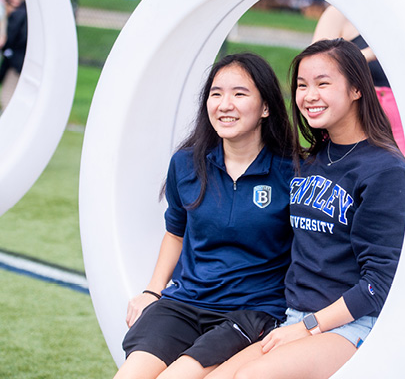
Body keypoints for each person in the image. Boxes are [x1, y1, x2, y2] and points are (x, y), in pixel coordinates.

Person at [205, 39, 405, 379]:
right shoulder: (311, 161)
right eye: (301, 85)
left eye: (322, 83)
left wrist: (309, 327)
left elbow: (380, 283)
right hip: (295, 318)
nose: (309, 96)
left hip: (351, 326)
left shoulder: (385, 170)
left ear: (357, 88)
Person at [113, 53, 299, 379]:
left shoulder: (293, 171)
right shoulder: (186, 164)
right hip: (185, 303)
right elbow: (175, 232)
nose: (225, 104)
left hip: (251, 312)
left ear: (265, 107)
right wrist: (153, 290)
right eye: (216, 93)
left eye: (239, 94)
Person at [312, 5, 405, 156]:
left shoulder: (403, 15)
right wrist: (371, 53)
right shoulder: (339, 13)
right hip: (355, 115)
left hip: (398, 117)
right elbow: (316, 67)